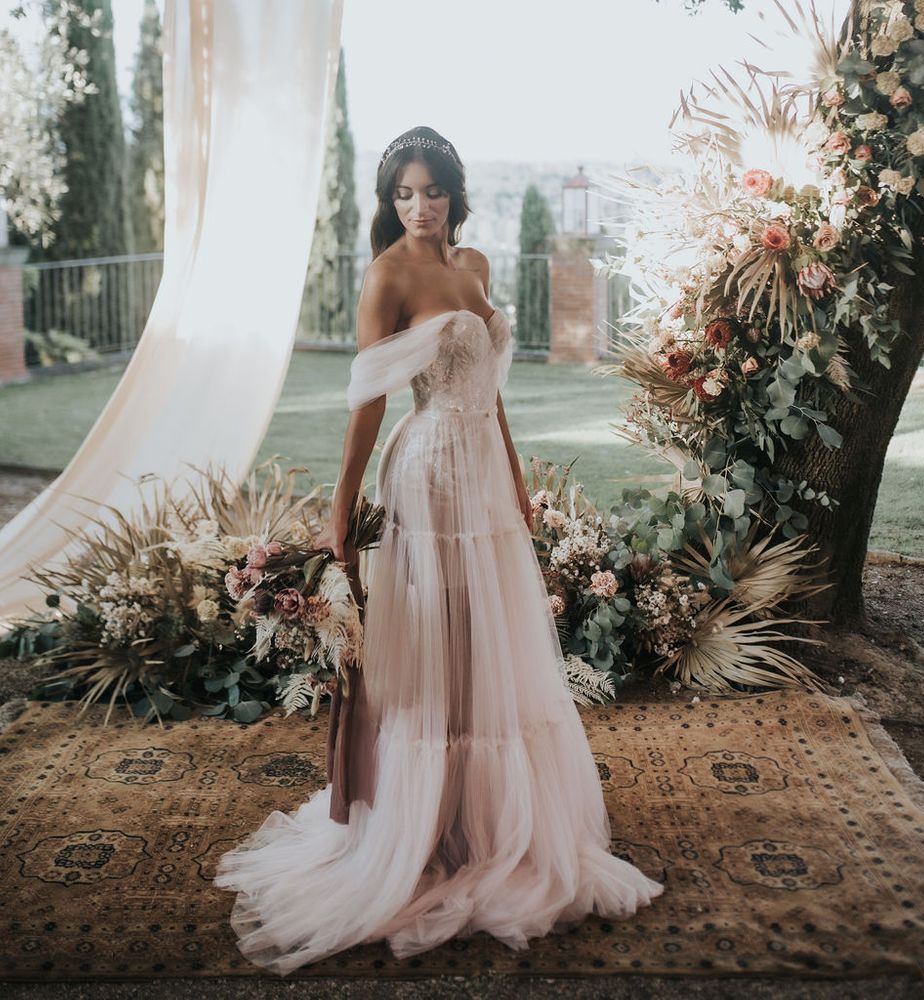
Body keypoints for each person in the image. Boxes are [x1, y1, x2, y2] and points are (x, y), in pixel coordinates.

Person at [213, 125, 664, 974]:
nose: (418, 207)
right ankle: (424, 824)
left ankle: (485, 821)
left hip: (486, 478)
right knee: (432, 643)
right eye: (402, 194)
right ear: (390, 203)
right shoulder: (387, 277)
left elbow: (490, 392)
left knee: (488, 645)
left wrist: (520, 477)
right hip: (425, 475)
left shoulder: (477, 267)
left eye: (431, 191)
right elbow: (367, 406)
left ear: (455, 193)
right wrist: (341, 510)